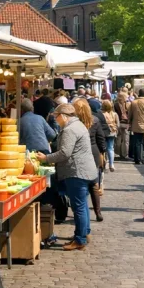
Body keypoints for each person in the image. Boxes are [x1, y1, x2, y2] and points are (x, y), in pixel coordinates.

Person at [36, 103, 97, 251]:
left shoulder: (70, 129)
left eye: (56, 117)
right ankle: (84, 233)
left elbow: (64, 153)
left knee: (79, 207)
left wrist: (46, 158)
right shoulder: (79, 125)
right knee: (82, 204)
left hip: (77, 172)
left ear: (63, 116)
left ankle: (80, 239)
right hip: (84, 170)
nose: (56, 119)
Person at [73, 97, 107, 220]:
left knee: (81, 184)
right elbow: (101, 139)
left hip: (80, 153)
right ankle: (98, 212)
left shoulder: (74, 123)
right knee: (94, 184)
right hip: (94, 152)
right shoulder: (95, 120)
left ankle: (83, 212)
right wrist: (103, 153)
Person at [128, 88, 144, 164]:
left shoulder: (133, 103)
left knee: (137, 142)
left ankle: (137, 158)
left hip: (136, 125)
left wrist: (130, 122)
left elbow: (130, 114)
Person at [101, 99, 118, 171]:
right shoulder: (115, 114)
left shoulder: (101, 114)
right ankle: (111, 164)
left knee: (103, 148)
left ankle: (104, 163)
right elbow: (118, 124)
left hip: (103, 132)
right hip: (112, 132)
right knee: (111, 148)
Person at [114, 90, 130, 161]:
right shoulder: (128, 104)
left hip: (119, 123)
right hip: (125, 123)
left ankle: (119, 153)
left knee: (119, 139)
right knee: (125, 140)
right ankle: (124, 155)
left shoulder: (115, 104)